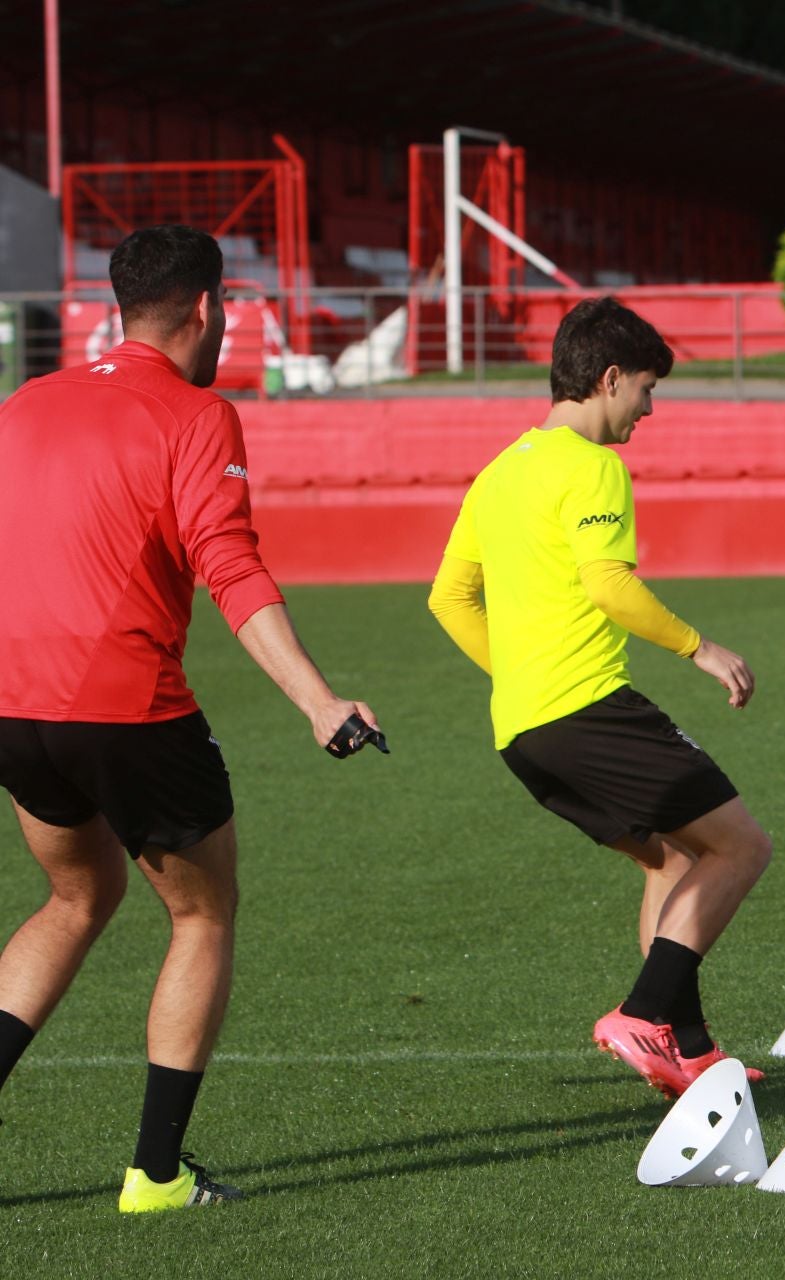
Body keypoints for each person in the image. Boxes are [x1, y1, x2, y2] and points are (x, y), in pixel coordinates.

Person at [0, 225, 383, 1213]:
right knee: (202, 909)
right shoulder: (198, 412)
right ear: (209, 308)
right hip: (124, 704)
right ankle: (157, 1174)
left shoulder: (25, 401)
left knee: (74, 898)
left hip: (12, 703)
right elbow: (233, 568)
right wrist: (318, 699)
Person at [428, 296, 771, 1100]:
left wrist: (519, 674)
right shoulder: (594, 467)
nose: (649, 410)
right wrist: (701, 647)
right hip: (588, 709)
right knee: (741, 847)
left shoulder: (502, 469)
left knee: (672, 855)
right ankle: (644, 1012)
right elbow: (610, 585)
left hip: (524, 729)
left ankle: (687, 1050)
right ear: (610, 378)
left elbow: (448, 598)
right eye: (646, 390)